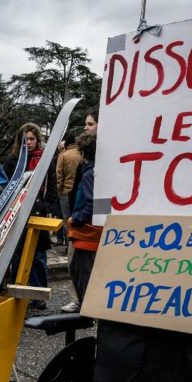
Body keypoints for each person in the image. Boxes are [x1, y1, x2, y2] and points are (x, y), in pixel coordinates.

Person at [6, 122, 58, 309]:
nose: (28, 142)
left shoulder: (45, 159)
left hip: (38, 212)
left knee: (38, 256)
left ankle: (38, 294)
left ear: (37, 140)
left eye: (32, 139)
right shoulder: (12, 161)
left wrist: (45, 205)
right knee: (16, 255)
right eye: (24, 139)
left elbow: (52, 184)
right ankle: (18, 294)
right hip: (17, 212)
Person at [67, 113, 103, 311]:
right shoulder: (99, 171)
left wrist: (77, 219)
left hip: (84, 233)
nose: (86, 126)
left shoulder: (89, 173)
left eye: (90, 123)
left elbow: (90, 202)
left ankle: (88, 309)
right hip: (94, 231)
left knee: (81, 272)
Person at [56, 129, 82, 313]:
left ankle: (67, 238)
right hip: (82, 200)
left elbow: (59, 177)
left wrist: (60, 190)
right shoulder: (83, 156)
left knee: (70, 229)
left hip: (67, 194)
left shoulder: (64, 155)